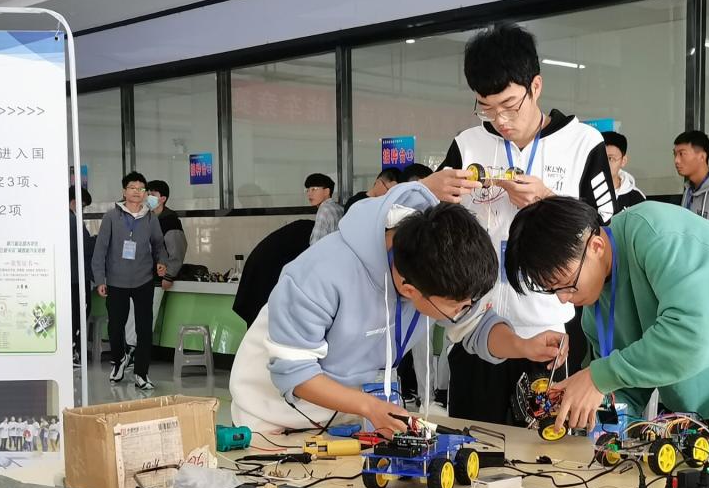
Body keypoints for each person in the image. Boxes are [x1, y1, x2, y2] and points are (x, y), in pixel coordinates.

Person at [504, 196, 709, 467]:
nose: (563, 298)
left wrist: (597, 378)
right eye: (553, 290)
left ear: (596, 246)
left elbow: (689, 341)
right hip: (704, 409)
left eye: (567, 284)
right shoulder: (595, 307)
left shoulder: (659, 234)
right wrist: (596, 418)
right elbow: (624, 387)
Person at [229, 183, 566, 434]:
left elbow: (476, 325)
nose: (466, 311)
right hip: (273, 419)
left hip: (348, 418)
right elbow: (296, 374)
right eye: (459, 306)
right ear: (408, 289)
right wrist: (369, 406)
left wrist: (523, 346)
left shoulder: (432, 262)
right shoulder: (319, 275)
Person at [424, 22, 616, 424]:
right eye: (486, 107)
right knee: (475, 441)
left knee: (549, 445)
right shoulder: (468, 145)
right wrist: (431, 188)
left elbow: (607, 233)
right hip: (477, 327)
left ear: (536, 87)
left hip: (552, 332)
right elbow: (435, 223)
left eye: (510, 105)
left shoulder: (582, 144)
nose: (500, 119)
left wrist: (549, 200)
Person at [92, 171, 168, 391]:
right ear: (124, 191)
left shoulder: (150, 217)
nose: (137, 192)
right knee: (116, 327)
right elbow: (100, 250)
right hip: (116, 280)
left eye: (141, 188)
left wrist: (161, 261)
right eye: (132, 188)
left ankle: (141, 373)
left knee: (144, 329)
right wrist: (100, 279)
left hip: (144, 280)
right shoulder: (111, 217)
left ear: (145, 193)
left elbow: (159, 245)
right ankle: (119, 359)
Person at [125, 179, 188, 364]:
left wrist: (169, 275)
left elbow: (177, 250)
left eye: (152, 194)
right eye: (147, 193)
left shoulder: (170, 221)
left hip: (155, 279)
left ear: (163, 199)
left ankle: (136, 354)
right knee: (131, 316)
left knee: (145, 318)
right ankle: (128, 351)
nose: (147, 197)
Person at [232, 219, 315, 328]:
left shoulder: (306, 230)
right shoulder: (316, 236)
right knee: (261, 325)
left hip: (259, 271)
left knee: (258, 324)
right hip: (262, 274)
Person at [69, 185, 94, 365]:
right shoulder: (72, 221)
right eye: (83, 205)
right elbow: (84, 246)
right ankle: (73, 351)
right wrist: (100, 239)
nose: (82, 209)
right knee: (78, 314)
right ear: (74, 201)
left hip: (70, 276)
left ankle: (72, 351)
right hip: (77, 277)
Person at [603, 131, 645, 209]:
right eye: (600, 158)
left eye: (610, 158)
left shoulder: (635, 197)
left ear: (623, 161)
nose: (604, 164)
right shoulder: (583, 193)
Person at [306, 173, 344, 245]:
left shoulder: (324, 210)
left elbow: (315, 245)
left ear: (327, 191)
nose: (309, 194)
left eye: (314, 189)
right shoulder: (339, 208)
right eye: (308, 190)